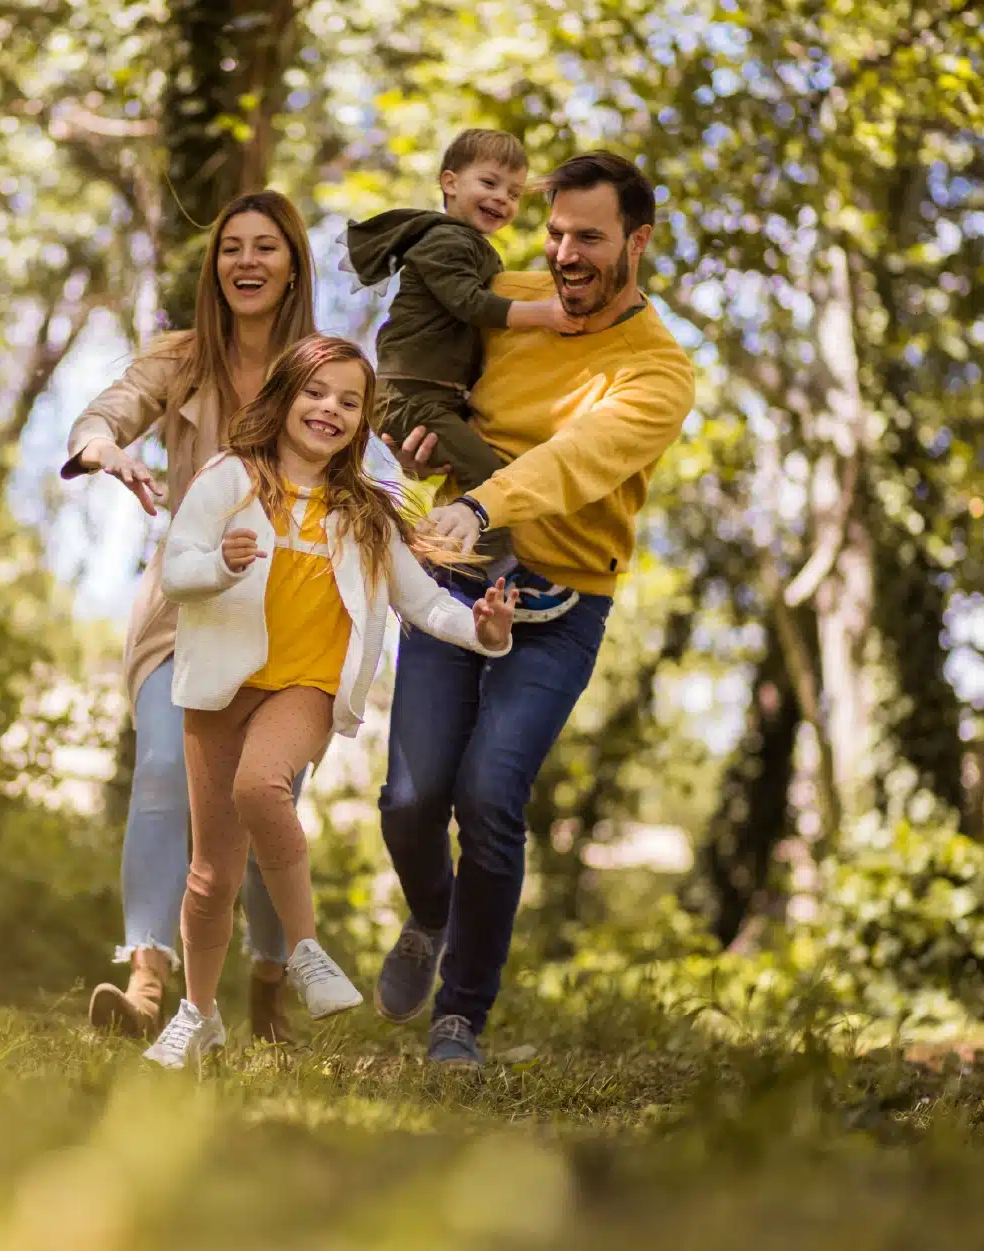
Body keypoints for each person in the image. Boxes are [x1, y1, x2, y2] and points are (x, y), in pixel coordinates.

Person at [371, 152, 698, 1067]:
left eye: (588, 237)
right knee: (408, 800)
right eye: (555, 233)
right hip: (456, 577)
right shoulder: (509, 297)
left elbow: (577, 459)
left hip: (562, 602)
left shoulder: (658, 371)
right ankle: (431, 914)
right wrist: (414, 426)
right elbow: (413, 362)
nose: (564, 255)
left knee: (489, 795)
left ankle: (459, 1017)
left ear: (638, 241)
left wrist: (481, 502)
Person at [142, 334, 516, 1069]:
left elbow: (423, 601)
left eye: (350, 402)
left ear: (361, 422)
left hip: (305, 688)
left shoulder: (368, 513)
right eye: (317, 393)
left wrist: (481, 630)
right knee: (210, 874)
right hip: (221, 685)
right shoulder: (230, 479)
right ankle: (198, 1013)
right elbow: (177, 567)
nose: (330, 410)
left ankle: (306, 950)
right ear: (285, 395)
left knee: (261, 785)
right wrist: (219, 564)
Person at [59, 190, 317, 1045]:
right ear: (216, 269)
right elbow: (104, 411)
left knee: (264, 794)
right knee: (167, 768)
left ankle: (269, 980)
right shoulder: (179, 359)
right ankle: (145, 986)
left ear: (292, 266)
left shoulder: (322, 370)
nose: (245, 262)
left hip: (289, 615)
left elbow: (377, 461)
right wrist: (104, 446)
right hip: (187, 603)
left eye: (265, 248)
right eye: (231, 248)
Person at [342, 128, 586, 624]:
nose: (502, 199)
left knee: (472, 473)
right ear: (449, 182)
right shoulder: (446, 240)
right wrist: (546, 313)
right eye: (490, 183)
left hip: (430, 397)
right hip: (410, 396)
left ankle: (443, 563)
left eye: (514, 194)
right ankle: (501, 576)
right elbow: (469, 304)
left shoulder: (469, 244)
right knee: (489, 477)